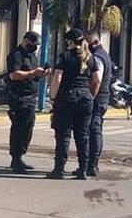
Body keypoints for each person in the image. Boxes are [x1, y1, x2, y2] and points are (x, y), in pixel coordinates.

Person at [47, 28, 102, 180]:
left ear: (70, 41)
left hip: (67, 98)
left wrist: (53, 97)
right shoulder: (90, 58)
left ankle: (59, 169)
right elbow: (97, 81)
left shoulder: (64, 57)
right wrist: (90, 95)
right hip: (85, 99)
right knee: (82, 135)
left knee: (63, 135)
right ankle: (83, 169)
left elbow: (57, 78)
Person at [6, 31, 49, 174]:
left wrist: (41, 74)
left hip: (31, 97)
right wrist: (32, 73)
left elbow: (33, 76)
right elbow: (13, 75)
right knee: (19, 128)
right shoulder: (16, 55)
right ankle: (16, 158)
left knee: (28, 128)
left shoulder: (32, 56)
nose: (34, 47)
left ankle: (21, 156)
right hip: (19, 97)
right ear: (25, 41)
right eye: (32, 44)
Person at [83, 30, 111, 177]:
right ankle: (91, 164)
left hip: (97, 99)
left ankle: (92, 165)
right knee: (95, 129)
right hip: (102, 98)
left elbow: (96, 81)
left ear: (94, 42)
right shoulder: (104, 54)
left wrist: (90, 97)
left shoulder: (98, 58)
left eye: (86, 43)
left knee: (93, 131)